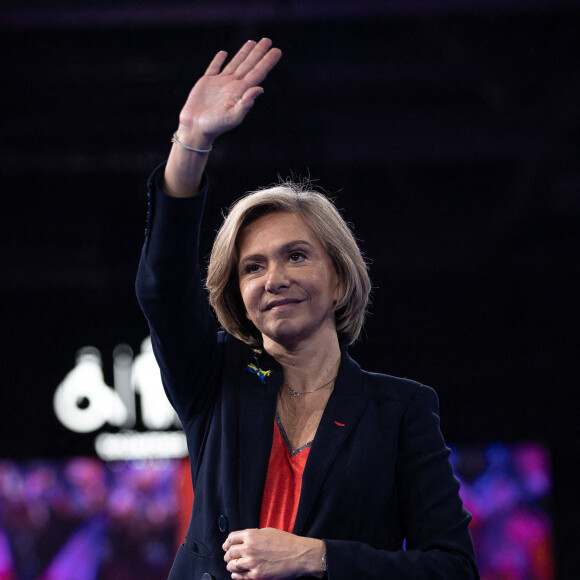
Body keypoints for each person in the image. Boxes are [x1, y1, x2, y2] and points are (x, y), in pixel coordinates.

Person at [136, 38, 479, 580]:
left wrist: (318, 557)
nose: (275, 279)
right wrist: (192, 143)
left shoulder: (401, 410)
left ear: (339, 278)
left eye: (297, 256)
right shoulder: (214, 380)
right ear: (238, 295)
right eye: (252, 268)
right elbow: (162, 291)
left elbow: (453, 569)